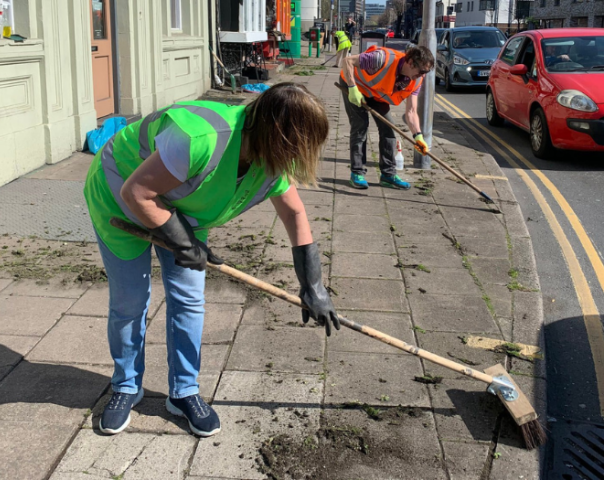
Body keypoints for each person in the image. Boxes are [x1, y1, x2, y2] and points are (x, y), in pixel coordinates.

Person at [83, 83, 340, 437]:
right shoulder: (200, 138)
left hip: (180, 206)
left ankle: (184, 392)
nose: (299, 159)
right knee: (130, 300)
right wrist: (186, 243)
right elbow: (137, 192)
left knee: (189, 299)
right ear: (276, 136)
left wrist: (313, 285)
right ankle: (126, 386)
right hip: (121, 195)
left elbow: (295, 215)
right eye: (297, 147)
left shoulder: (270, 159)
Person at [339, 45, 434, 190]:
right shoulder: (380, 59)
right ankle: (357, 173)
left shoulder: (416, 80)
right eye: (421, 71)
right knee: (360, 127)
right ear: (410, 62)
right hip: (355, 86)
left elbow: (411, 111)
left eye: (426, 72)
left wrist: (418, 136)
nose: (422, 75)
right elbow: (347, 61)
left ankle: (388, 175)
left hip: (377, 94)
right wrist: (352, 88)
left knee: (389, 129)